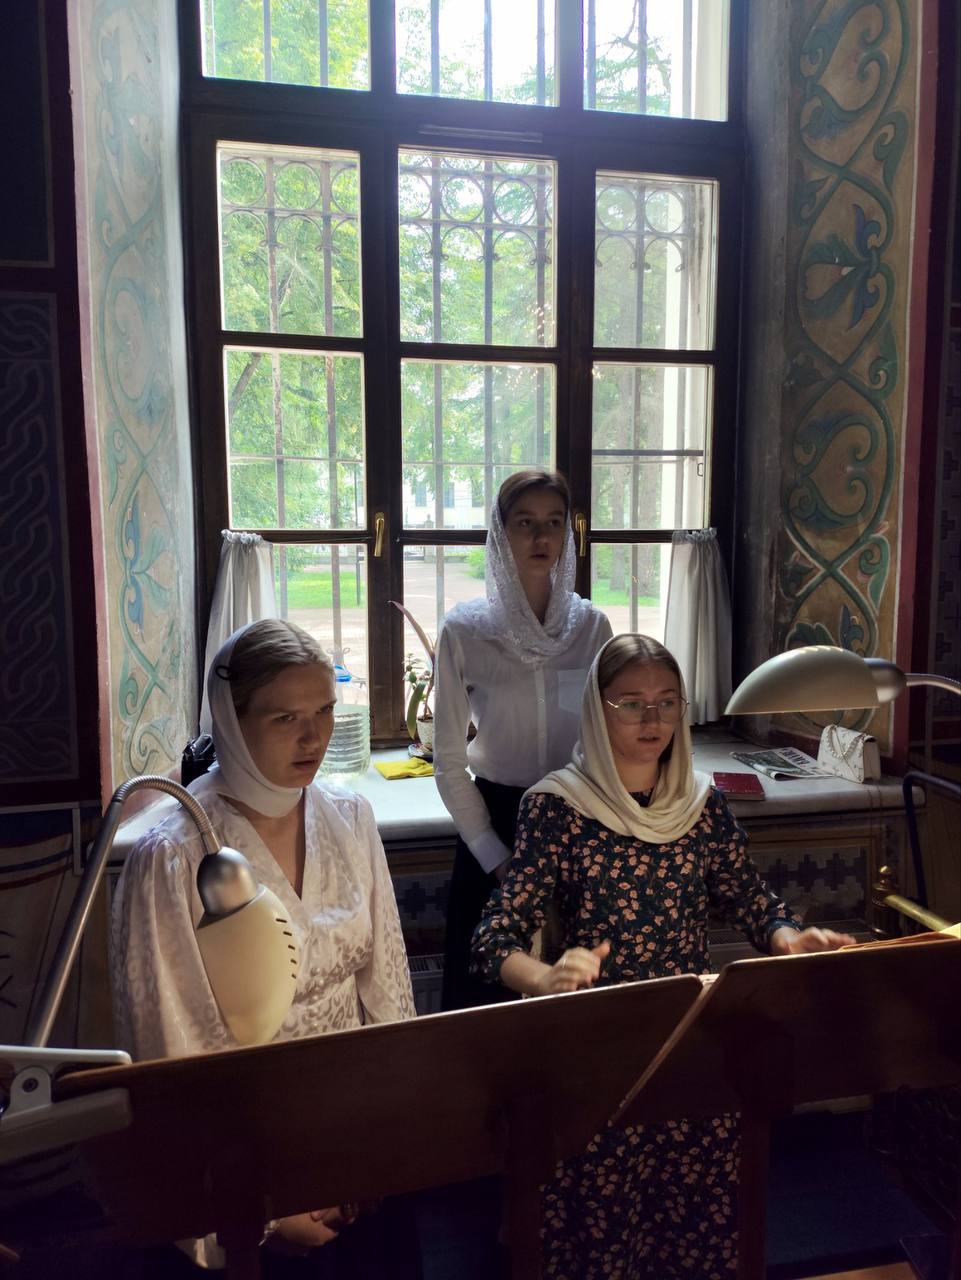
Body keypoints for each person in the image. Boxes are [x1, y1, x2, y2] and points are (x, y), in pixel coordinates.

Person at [472, 633, 855, 1278]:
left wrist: (789, 939)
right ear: (597, 710)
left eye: (667, 702)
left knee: (696, 1231)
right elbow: (493, 939)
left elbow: (751, 900)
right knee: (604, 1235)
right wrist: (545, 977)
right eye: (631, 704)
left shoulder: (702, 805)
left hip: (689, 1045)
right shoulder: (556, 807)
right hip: (598, 1055)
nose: (652, 719)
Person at [110, 619, 418, 1277]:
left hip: (353, 1141)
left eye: (324, 711)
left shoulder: (350, 818)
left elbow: (388, 986)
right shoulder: (175, 854)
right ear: (231, 720)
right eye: (285, 718)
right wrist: (268, 1211)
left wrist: (388, 1139)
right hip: (245, 1154)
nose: (314, 737)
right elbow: (172, 1041)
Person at [433, 469, 613, 1010]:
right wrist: (497, 857)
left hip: (576, 821)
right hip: (495, 821)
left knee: (574, 995)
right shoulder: (465, 631)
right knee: (485, 1002)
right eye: (525, 523)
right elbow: (448, 762)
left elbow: (605, 742)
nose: (540, 537)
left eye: (553, 523)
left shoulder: (593, 628)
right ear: (500, 532)